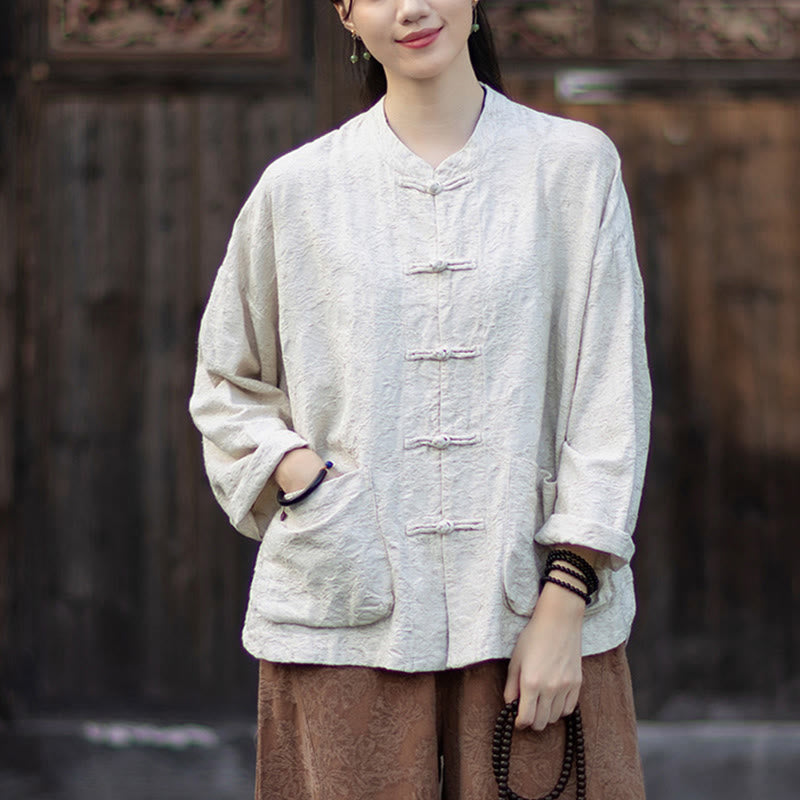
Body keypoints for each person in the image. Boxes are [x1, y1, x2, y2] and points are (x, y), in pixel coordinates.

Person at [189, 1, 651, 798]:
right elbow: (226, 384)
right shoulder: (298, 189)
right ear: (344, 12)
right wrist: (305, 480)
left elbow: (610, 394)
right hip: (346, 605)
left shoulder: (572, 168)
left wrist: (568, 595)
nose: (410, 8)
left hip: (531, 606)